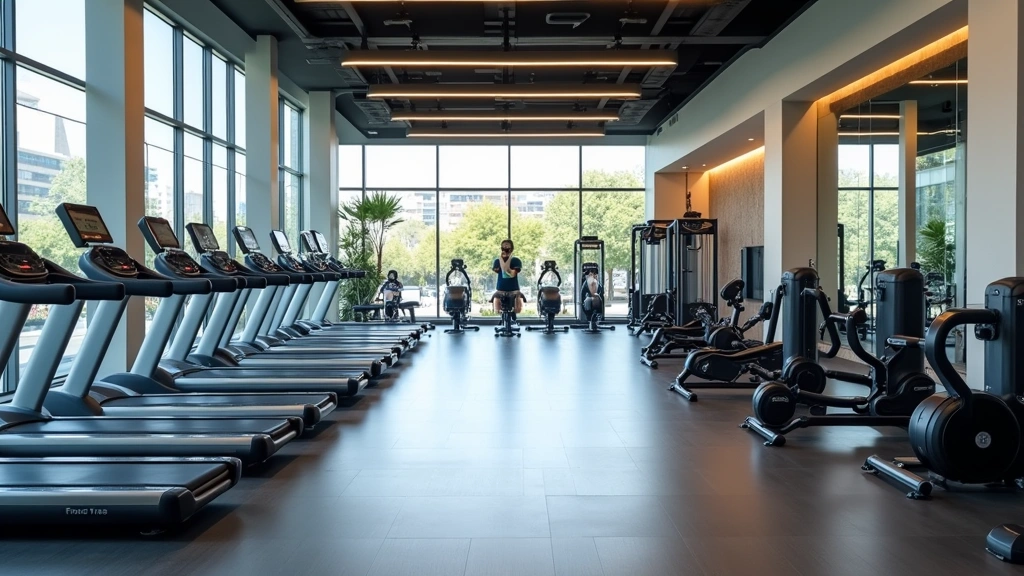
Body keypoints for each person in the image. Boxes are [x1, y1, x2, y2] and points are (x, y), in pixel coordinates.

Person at [492, 239, 523, 321]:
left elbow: (510, 273)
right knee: (496, 301)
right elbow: (500, 271)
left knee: (516, 305)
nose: (505, 247)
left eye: (507, 245)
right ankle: (502, 318)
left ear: (512, 248)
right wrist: (502, 259)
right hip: (501, 288)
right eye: (504, 245)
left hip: (513, 289)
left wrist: (507, 259)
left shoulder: (516, 261)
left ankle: (513, 318)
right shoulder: (497, 261)